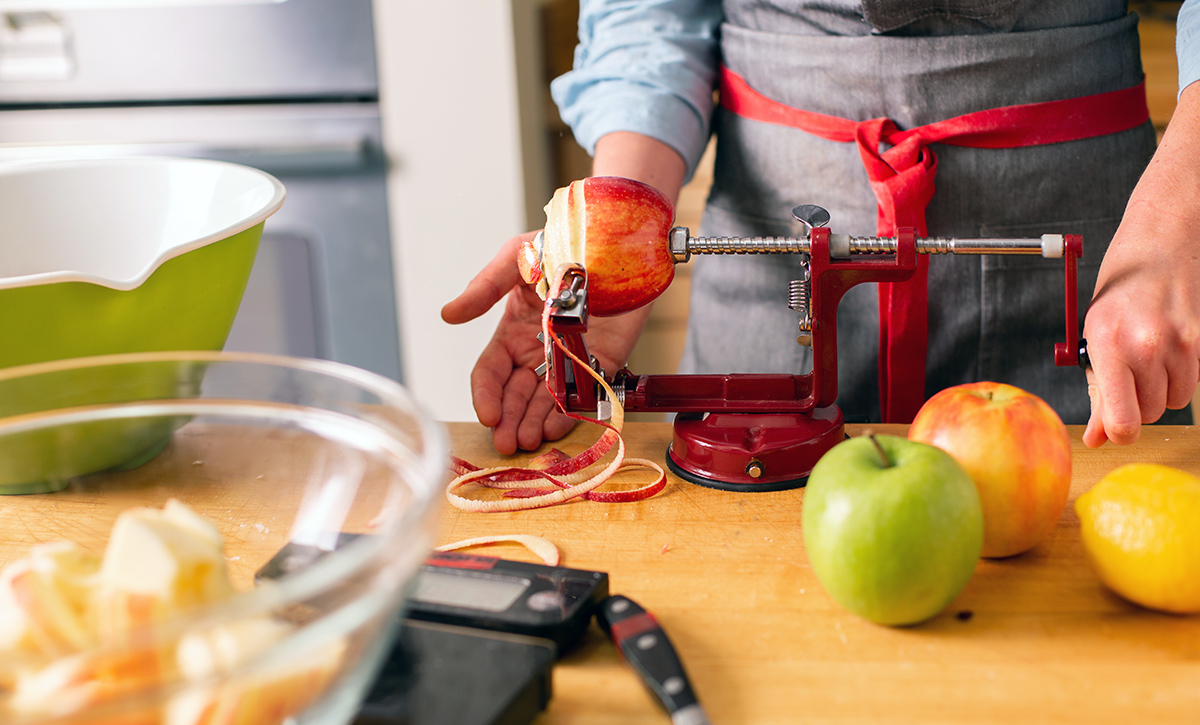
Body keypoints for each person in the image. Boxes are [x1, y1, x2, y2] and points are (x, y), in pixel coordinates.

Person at [442, 1, 1200, 456]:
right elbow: (651, 15)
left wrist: (1178, 223)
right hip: (770, 228)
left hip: (1096, 240)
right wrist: (616, 234)